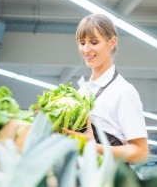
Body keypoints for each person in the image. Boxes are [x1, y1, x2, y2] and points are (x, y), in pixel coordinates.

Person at [62, 14, 148, 164]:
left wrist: (94, 147)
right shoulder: (83, 92)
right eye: (82, 43)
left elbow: (140, 153)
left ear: (112, 42)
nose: (86, 49)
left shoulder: (123, 91)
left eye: (94, 42)